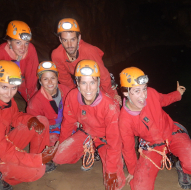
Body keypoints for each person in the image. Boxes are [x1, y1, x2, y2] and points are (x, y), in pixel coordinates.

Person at [118, 67, 191, 190]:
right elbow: (127, 148)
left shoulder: (151, 93)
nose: (143, 95)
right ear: (126, 93)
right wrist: (133, 171)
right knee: (139, 187)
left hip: (172, 132)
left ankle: (182, 168)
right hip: (152, 145)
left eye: (144, 89)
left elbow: (164, 99)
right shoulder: (124, 119)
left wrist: (178, 94)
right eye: (137, 91)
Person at [0, 60, 59, 190]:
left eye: (13, 88)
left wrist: (30, 120)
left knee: (41, 121)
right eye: (4, 87)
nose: (9, 93)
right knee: (37, 172)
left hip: (1, 143)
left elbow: (15, 117)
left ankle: (38, 161)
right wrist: (38, 160)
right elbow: (4, 152)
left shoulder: (4, 98)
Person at [53, 60, 125, 190]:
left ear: (98, 82)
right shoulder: (72, 96)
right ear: (78, 83)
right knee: (58, 157)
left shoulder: (110, 106)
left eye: (92, 82)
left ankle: (116, 157)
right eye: (84, 82)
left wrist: (112, 170)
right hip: (86, 134)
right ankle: (88, 150)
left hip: (105, 139)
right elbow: (68, 122)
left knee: (114, 184)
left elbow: (115, 140)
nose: (88, 88)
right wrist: (62, 143)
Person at [51, 18, 121, 105]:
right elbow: (64, 79)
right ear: (60, 40)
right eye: (65, 40)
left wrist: (112, 96)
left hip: (96, 79)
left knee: (111, 104)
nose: (69, 45)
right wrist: (77, 95)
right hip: (80, 81)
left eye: (73, 39)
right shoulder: (57, 55)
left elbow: (103, 76)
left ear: (79, 38)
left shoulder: (89, 51)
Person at [0, 20, 39, 102]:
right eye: (18, 43)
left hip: (21, 80)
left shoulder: (31, 50)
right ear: (9, 42)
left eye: (26, 43)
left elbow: (32, 76)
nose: (23, 48)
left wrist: (31, 96)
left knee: (36, 102)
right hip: (3, 83)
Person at [27, 61, 71, 146]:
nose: (50, 82)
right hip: (50, 128)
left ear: (57, 78)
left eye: (53, 78)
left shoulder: (66, 91)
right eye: (45, 79)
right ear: (40, 81)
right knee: (54, 144)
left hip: (67, 123)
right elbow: (32, 119)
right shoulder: (36, 101)